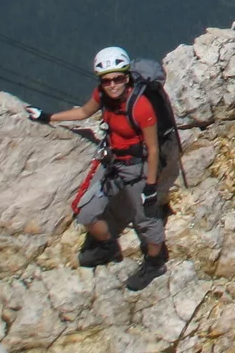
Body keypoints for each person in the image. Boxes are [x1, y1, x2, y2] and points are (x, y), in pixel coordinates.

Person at [26, 46, 178, 291]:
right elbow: (84, 112)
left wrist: (150, 186)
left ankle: (156, 261)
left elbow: (153, 149)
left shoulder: (141, 107)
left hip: (137, 168)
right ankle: (108, 247)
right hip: (113, 163)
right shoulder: (102, 95)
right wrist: (48, 116)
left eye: (118, 78)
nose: (112, 84)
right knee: (87, 212)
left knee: (146, 220)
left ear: (127, 77)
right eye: (107, 80)